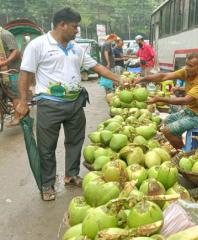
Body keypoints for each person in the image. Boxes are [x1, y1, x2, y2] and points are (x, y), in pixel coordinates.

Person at [15, 7, 121, 201]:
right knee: (47, 148)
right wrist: (22, 101)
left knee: (75, 142)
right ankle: (47, 184)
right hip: (49, 104)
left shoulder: (76, 48)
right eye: (75, 26)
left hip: (75, 103)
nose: (77, 30)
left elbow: (96, 66)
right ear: (62, 25)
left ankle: (71, 175)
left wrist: (119, 80)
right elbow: (25, 74)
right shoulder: (38, 45)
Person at [133, 52, 198, 149]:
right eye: (186, 64)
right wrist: (142, 79)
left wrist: (158, 99)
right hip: (190, 111)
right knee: (166, 121)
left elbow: (185, 101)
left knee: (167, 131)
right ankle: (182, 145)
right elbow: (163, 76)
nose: (187, 67)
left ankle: (183, 153)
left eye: (191, 66)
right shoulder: (186, 72)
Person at [0, 26, 21, 126]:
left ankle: (17, 118)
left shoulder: (5, 35)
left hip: (13, 70)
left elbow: (16, 51)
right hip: (3, 70)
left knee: (15, 93)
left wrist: (5, 62)